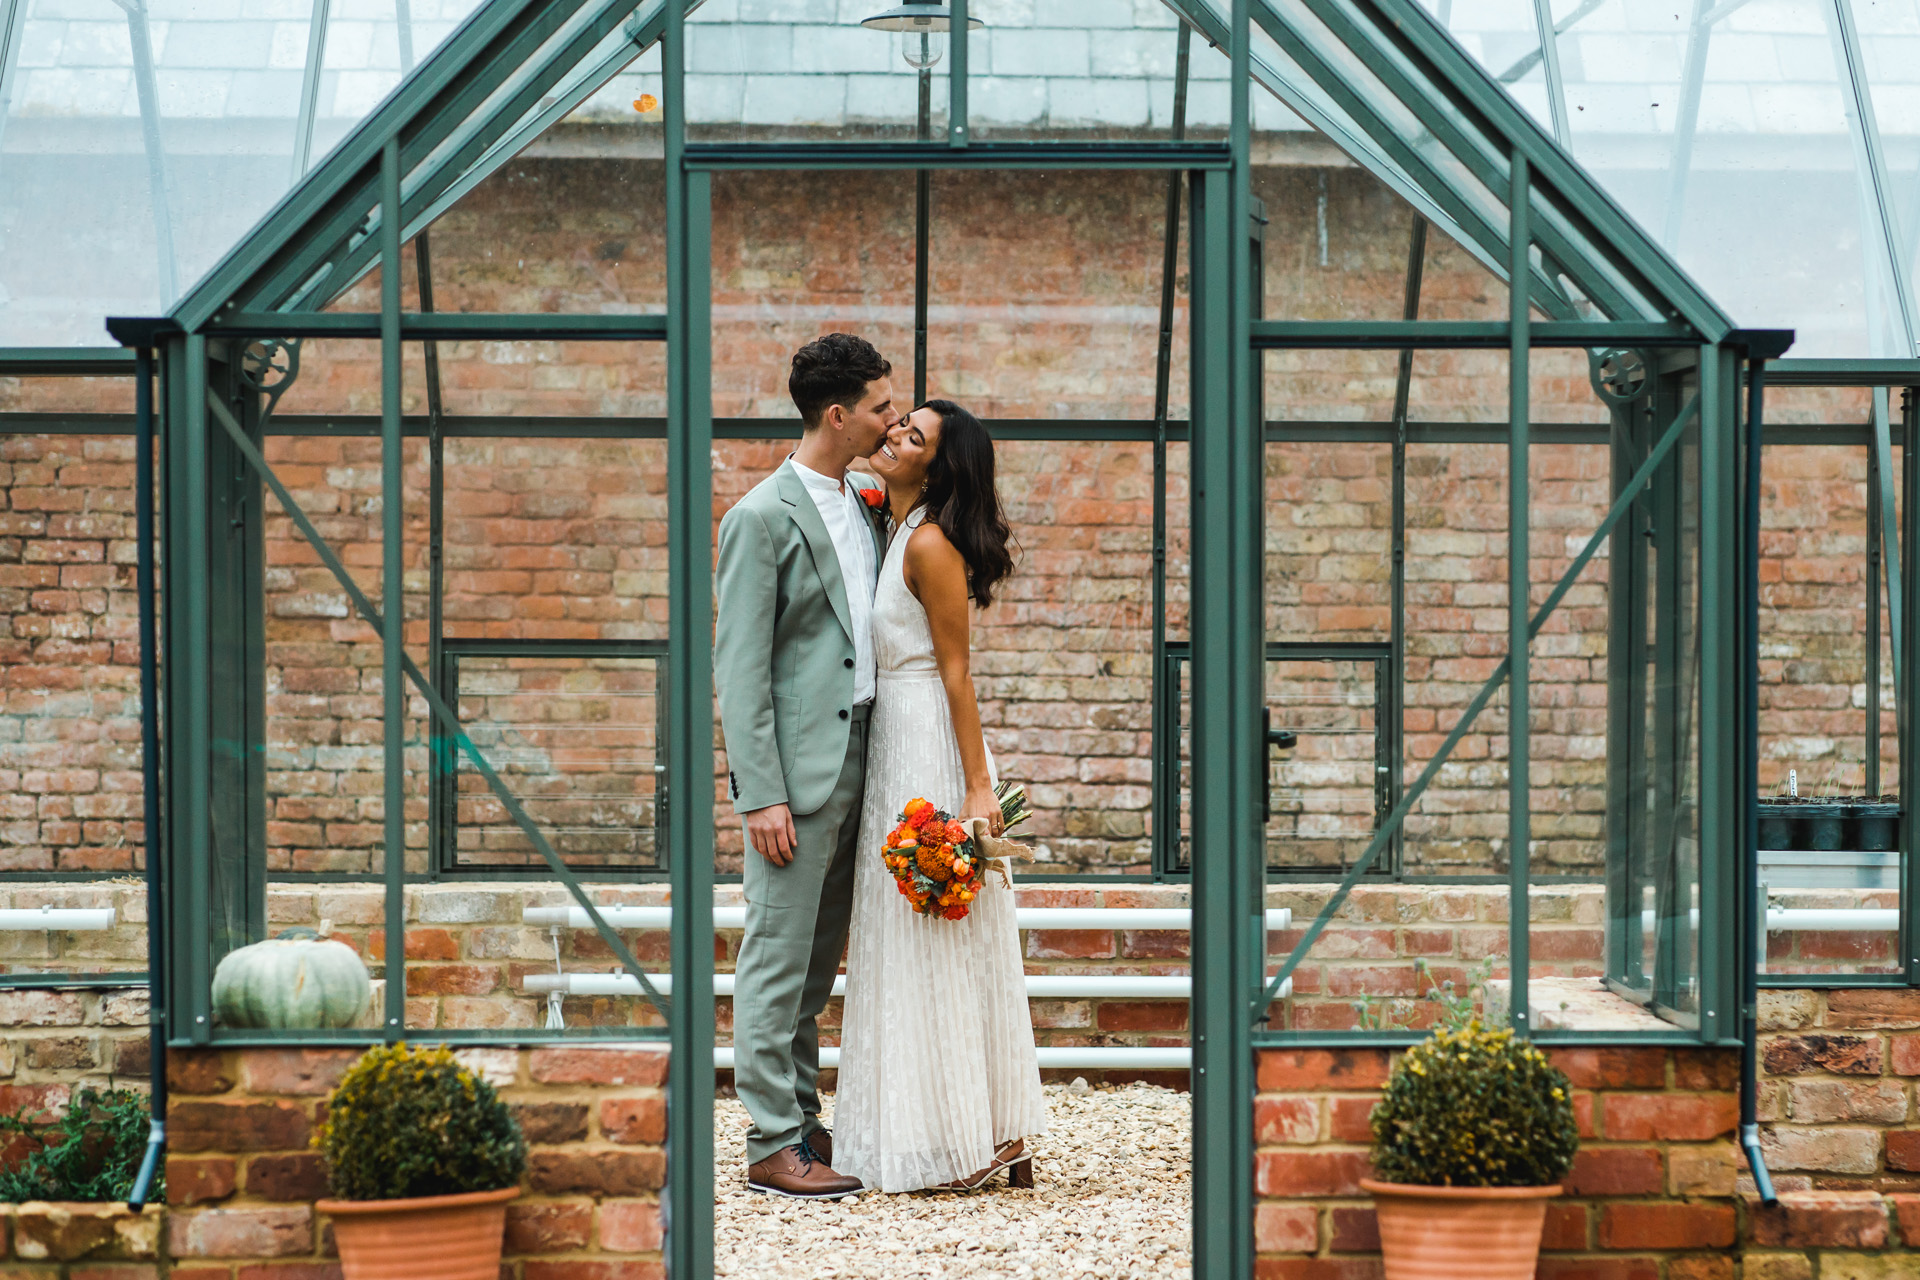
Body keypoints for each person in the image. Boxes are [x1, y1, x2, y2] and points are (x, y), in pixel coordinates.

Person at [833, 398, 1048, 1193]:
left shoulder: (928, 544)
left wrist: (978, 785)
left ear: (937, 465)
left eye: (911, 435)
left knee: (940, 929)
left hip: (928, 738)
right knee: (908, 932)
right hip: (896, 737)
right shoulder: (896, 528)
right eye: (897, 424)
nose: (893, 434)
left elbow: (957, 671)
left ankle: (971, 1136)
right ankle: (967, 1127)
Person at [714, 333, 897, 1199]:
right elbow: (741, 666)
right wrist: (761, 794)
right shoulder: (758, 517)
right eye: (880, 407)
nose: (892, 418)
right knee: (777, 958)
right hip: (796, 775)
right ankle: (769, 1143)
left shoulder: (863, 498)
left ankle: (803, 1122)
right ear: (838, 414)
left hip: (865, 752)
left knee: (818, 964)